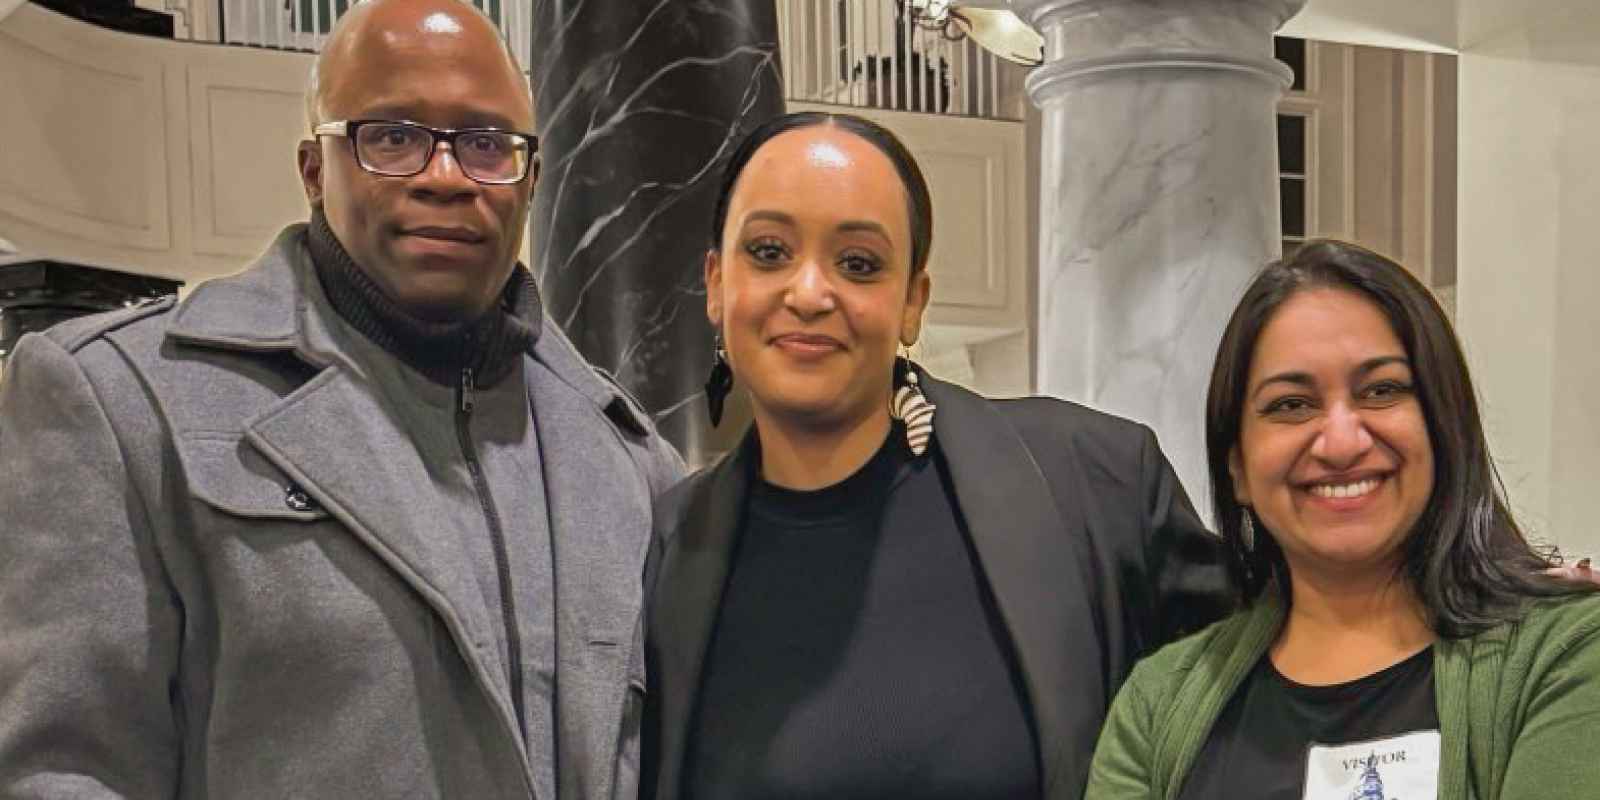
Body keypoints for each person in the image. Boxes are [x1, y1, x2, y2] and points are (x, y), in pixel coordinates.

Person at [0, 0, 682, 795]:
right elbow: (62, 771)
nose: (446, 177)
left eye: (487, 145)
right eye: (392, 137)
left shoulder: (626, 457)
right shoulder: (120, 401)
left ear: (530, 180)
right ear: (315, 170)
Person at [640, 110, 1233, 800]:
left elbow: (1277, 705)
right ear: (716, 284)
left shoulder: (1096, 485)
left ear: (913, 302)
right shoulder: (667, 552)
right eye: (769, 252)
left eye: (858, 263)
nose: (808, 293)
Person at [1087, 240, 1600, 799]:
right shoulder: (1156, 704)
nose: (1340, 442)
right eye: (1291, 404)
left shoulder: (1567, 654)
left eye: (1382, 391)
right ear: (1237, 466)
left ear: (1443, 427)